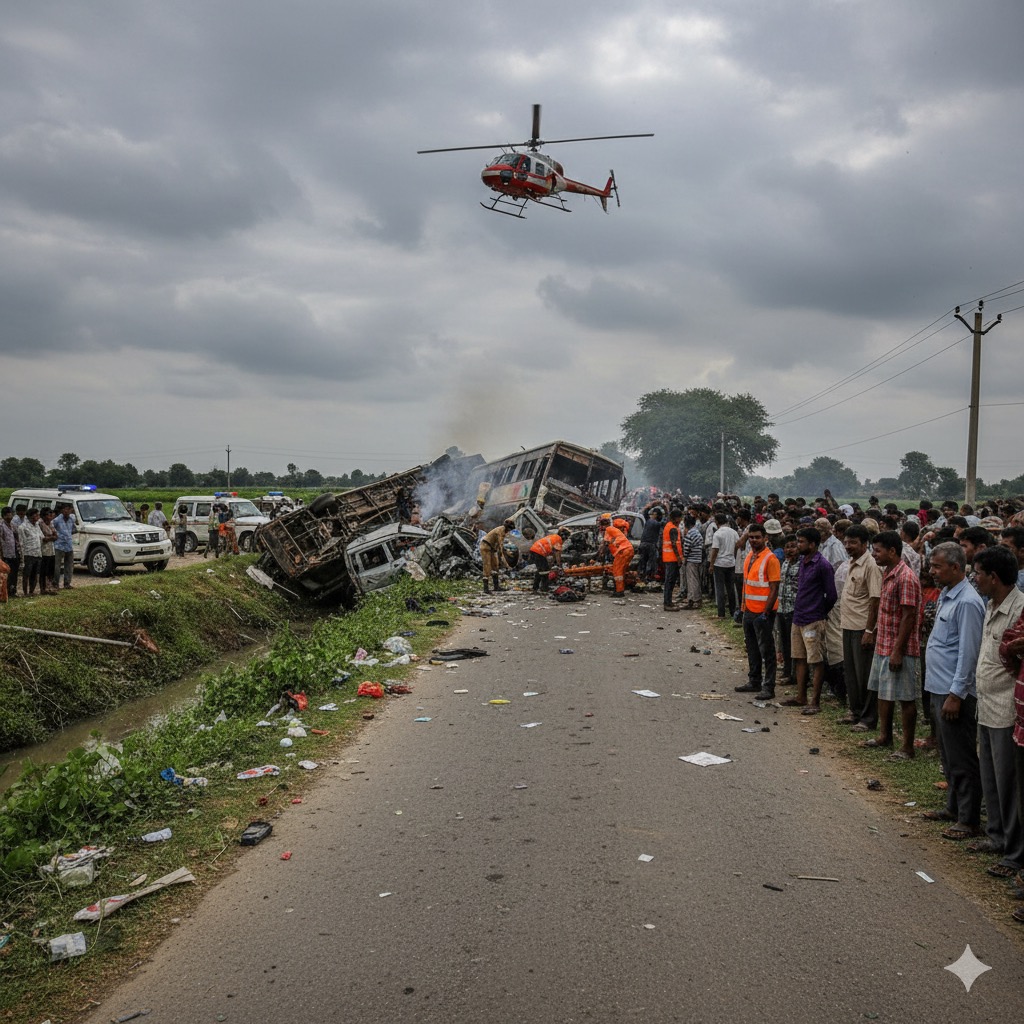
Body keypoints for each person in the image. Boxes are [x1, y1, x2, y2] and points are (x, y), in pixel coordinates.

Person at [923, 541, 986, 840]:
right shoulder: (948, 595)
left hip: (953, 692)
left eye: (937, 566)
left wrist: (956, 694)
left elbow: (968, 653)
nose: (932, 571)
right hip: (938, 687)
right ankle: (953, 808)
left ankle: (969, 819)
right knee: (947, 756)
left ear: (956, 567)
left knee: (961, 757)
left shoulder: (969, 602)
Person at [970, 545, 1024, 876]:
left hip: (1007, 707)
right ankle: (996, 836)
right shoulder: (991, 604)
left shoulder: (1019, 609)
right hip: (986, 701)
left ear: (993, 577)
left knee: (1009, 784)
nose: (973, 578)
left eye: (977, 573)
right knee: (990, 776)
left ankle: (1014, 852)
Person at [862, 531, 921, 759]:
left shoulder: (906, 577)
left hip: (900, 648)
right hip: (883, 643)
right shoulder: (887, 573)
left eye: (877, 551)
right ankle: (884, 736)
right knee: (883, 693)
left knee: (906, 697)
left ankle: (907, 746)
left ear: (892, 551)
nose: (874, 555)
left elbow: (909, 616)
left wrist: (897, 650)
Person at [782, 527, 836, 714]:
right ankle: (801, 696)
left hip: (813, 618)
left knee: (816, 660)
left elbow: (832, 595)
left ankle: (815, 701)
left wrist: (819, 611)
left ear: (812, 544)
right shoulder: (803, 562)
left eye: (801, 542)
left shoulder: (822, 565)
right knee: (799, 657)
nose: (798, 545)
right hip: (799, 617)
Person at [840, 524, 883, 733]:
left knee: (865, 675)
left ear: (864, 544)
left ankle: (868, 718)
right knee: (851, 674)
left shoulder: (871, 565)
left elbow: (875, 600)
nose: (848, 546)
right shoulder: (852, 563)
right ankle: (855, 711)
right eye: (846, 542)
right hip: (847, 625)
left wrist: (869, 631)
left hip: (861, 628)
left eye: (853, 543)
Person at [736, 523, 780, 699]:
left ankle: (769, 686)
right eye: (751, 537)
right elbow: (748, 585)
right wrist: (743, 607)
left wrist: (766, 613)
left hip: (764, 613)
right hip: (749, 611)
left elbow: (774, 587)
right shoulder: (750, 556)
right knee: (752, 648)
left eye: (757, 537)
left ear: (765, 538)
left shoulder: (771, 559)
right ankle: (754, 681)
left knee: (767, 651)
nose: (754, 540)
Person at [775, 534, 800, 686]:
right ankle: (786, 670)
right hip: (782, 607)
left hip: (794, 608)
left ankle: (794, 674)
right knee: (784, 642)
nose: (790, 550)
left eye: (793, 546)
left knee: (794, 644)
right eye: (787, 547)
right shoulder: (784, 563)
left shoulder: (801, 564)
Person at [708, 512, 739, 619]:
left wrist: (711, 564)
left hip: (719, 563)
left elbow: (715, 550)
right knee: (730, 588)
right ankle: (732, 611)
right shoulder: (734, 532)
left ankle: (721, 613)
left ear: (717, 522)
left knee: (720, 588)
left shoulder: (717, 533)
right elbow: (736, 547)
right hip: (731, 562)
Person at [598, 512, 635, 598]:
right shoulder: (614, 530)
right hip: (629, 550)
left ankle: (619, 591)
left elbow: (604, 544)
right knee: (621, 571)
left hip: (623, 551)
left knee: (617, 571)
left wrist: (600, 554)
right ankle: (621, 589)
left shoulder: (608, 529)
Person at [530, 528, 569, 592]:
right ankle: (544, 588)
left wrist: (551, 563)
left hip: (534, 550)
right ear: (564, 537)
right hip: (539, 551)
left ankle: (535, 587)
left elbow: (553, 553)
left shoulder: (554, 537)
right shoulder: (558, 539)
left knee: (541, 570)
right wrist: (559, 565)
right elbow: (557, 554)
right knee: (545, 571)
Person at [480, 519, 514, 593]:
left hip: (493, 548)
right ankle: (485, 588)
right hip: (485, 547)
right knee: (487, 566)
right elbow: (501, 548)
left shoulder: (504, 531)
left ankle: (496, 586)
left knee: (495, 565)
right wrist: (507, 564)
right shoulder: (500, 531)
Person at [661, 508, 684, 611]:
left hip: (669, 558)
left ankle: (668, 601)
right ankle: (667, 604)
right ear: (676, 518)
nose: (680, 520)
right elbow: (674, 544)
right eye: (680, 518)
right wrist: (679, 557)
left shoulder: (668, 526)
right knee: (670, 581)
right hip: (672, 558)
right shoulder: (673, 528)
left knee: (669, 581)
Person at [18, 508, 43, 596]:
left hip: (38, 553)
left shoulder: (37, 525)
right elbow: (21, 543)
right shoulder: (22, 527)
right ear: (30, 516)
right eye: (36, 515)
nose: (38, 517)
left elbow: (41, 537)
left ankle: (31, 591)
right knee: (27, 574)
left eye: (38, 515)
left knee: (35, 574)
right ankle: (25, 592)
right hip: (28, 554)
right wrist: (22, 557)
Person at [682, 514, 704, 610]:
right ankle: (694, 599)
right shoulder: (697, 532)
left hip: (691, 560)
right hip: (698, 559)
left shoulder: (690, 534)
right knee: (696, 580)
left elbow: (686, 549)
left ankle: (693, 600)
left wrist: (684, 559)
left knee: (692, 581)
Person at [638, 507, 664, 583]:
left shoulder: (649, 521)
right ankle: (647, 577)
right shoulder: (659, 524)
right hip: (651, 545)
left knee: (643, 561)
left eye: (653, 514)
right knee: (650, 562)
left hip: (644, 544)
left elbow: (645, 511)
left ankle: (642, 576)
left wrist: (652, 505)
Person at [0, 506, 20, 599]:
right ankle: (5, 592)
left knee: (14, 574)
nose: (10, 516)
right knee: (6, 575)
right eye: (7, 515)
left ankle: (13, 591)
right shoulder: (1, 526)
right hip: (6, 554)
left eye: (11, 514)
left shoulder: (13, 525)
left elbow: (17, 537)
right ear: (3, 516)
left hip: (15, 553)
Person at [38, 507, 58, 594]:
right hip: (44, 550)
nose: (51, 516)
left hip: (51, 549)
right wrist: (51, 537)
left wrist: (50, 537)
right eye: (49, 514)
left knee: (50, 570)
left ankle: (49, 587)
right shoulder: (40, 523)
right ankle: (43, 588)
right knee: (43, 571)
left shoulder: (51, 523)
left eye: (51, 514)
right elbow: (43, 539)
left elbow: (56, 536)